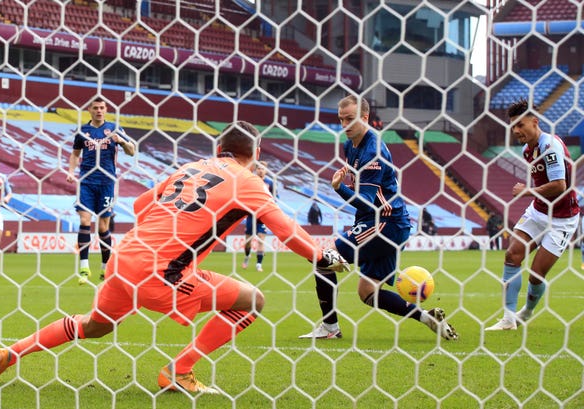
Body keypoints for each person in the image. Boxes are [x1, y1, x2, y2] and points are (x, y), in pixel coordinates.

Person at [0, 121, 348, 393]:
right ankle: (180, 370)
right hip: (162, 273)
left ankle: (7, 354)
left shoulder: (190, 168)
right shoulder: (248, 181)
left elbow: (141, 205)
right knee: (252, 302)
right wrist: (322, 256)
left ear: (219, 147)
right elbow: (285, 230)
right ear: (256, 154)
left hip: (124, 259)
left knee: (95, 325)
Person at [299, 95, 458, 341]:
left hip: (384, 223)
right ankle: (427, 318)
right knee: (368, 292)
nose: (345, 125)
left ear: (365, 118)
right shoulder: (350, 145)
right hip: (388, 222)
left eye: (350, 119)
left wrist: (339, 188)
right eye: (341, 120)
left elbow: (365, 201)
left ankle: (330, 328)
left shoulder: (373, 150)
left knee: (323, 259)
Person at [486, 98, 579, 331]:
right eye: (513, 126)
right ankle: (508, 319)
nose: (516, 131)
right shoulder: (528, 150)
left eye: (520, 125)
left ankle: (526, 312)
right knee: (512, 254)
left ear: (534, 122)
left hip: (562, 220)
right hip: (538, 212)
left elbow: (560, 185)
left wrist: (528, 191)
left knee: (536, 276)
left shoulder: (550, 147)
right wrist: (534, 194)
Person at [66, 97, 136, 284]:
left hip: (106, 183)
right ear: (89, 109)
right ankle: (84, 267)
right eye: (95, 108)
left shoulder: (114, 128)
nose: (99, 110)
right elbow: (75, 154)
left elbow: (132, 151)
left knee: (103, 227)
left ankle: (105, 267)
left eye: (102, 108)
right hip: (86, 182)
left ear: (106, 109)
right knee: (84, 220)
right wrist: (71, 171)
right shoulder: (83, 131)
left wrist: (120, 140)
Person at [242, 161, 275, 272]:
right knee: (248, 241)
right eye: (259, 168)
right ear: (256, 170)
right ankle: (247, 256)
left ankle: (258, 264)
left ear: (266, 170)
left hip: (263, 214)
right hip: (251, 214)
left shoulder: (270, 182)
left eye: (263, 168)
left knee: (261, 239)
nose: (261, 170)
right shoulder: (251, 181)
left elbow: (275, 197)